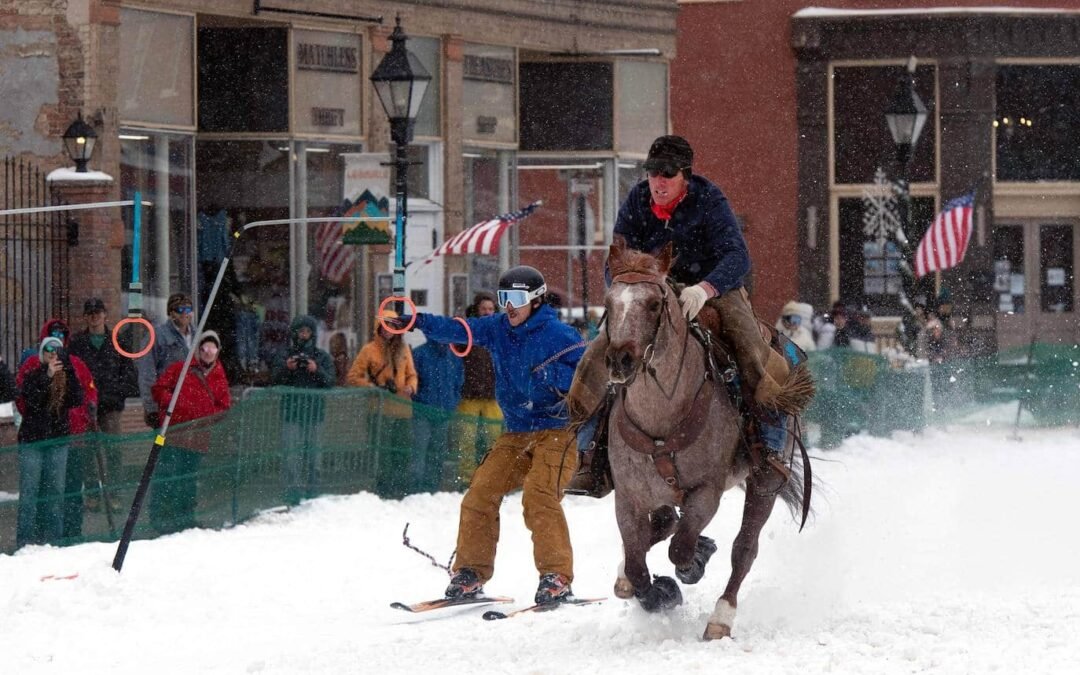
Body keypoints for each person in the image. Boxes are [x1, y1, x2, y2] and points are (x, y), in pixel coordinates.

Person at [567, 135, 807, 485]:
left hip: (712, 288)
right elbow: (616, 256)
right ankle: (588, 451)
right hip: (651, 289)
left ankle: (768, 446)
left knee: (749, 342)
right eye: (653, 173)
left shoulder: (710, 199)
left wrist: (704, 288)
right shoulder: (637, 199)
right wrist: (622, 284)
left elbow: (737, 256)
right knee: (599, 351)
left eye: (667, 173)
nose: (658, 182)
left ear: (686, 175)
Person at [390, 266, 587, 606]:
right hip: (516, 433)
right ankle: (470, 573)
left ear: (537, 300)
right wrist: (417, 321)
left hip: (557, 431)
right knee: (480, 493)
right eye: (503, 298)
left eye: (517, 299)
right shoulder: (498, 329)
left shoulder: (560, 336)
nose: (508, 307)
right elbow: (457, 329)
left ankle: (556, 576)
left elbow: (590, 376)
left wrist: (555, 379)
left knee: (538, 496)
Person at [17, 318, 99, 541]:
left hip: (61, 439)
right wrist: (48, 375)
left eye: (59, 348)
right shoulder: (32, 370)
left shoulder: (72, 369)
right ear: (42, 350)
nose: (54, 353)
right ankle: (26, 539)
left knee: (58, 492)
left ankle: (57, 537)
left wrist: (68, 370)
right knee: (31, 493)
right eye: (49, 349)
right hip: (34, 440)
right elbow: (29, 401)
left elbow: (77, 398)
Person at [149, 330, 231, 534]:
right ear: (197, 349)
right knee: (168, 477)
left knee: (188, 480)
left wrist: (206, 415)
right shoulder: (180, 368)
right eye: (204, 347)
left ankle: (185, 518)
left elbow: (224, 406)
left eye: (212, 348)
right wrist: (174, 405)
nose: (208, 352)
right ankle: (161, 519)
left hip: (198, 437)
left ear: (218, 350)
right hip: (175, 435)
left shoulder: (219, 376)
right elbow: (159, 389)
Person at [68, 298, 138, 512]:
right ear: (85, 317)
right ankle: (92, 495)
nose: (94, 316)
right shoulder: (77, 344)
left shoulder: (117, 341)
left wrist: (117, 395)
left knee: (114, 451)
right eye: (90, 313)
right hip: (86, 406)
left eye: (98, 312)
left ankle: (114, 493)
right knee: (89, 453)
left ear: (105, 315)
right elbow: (72, 373)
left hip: (111, 406)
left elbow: (129, 372)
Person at [347, 309, 418, 498]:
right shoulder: (369, 350)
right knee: (382, 453)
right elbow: (354, 376)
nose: (389, 330)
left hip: (403, 409)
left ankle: (401, 489)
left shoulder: (404, 349)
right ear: (378, 328)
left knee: (402, 451)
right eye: (385, 326)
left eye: (393, 326)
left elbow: (412, 374)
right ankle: (384, 489)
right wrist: (372, 387)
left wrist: (411, 387)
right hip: (379, 410)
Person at [271, 316, 335, 505]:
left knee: (314, 455)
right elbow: (274, 379)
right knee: (291, 455)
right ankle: (293, 492)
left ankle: (313, 492)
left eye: (307, 332)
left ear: (312, 334)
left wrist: (316, 370)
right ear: (294, 334)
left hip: (315, 414)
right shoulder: (284, 355)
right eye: (300, 332)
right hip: (291, 413)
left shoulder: (322, 357)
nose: (303, 335)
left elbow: (330, 381)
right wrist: (287, 368)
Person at [454, 292, 502, 484]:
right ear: (477, 310)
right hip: (470, 394)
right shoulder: (468, 331)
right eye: (484, 309)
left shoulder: (500, 332)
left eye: (490, 309)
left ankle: (493, 475)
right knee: (467, 439)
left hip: (493, 394)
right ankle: (467, 477)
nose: (487, 312)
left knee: (495, 438)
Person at [410, 340, 464, 493]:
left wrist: (453, 401)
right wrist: (418, 400)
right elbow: (413, 378)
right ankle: (416, 486)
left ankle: (432, 486)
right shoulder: (420, 353)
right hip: (423, 410)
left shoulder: (454, 356)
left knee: (438, 451)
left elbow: (458, 381)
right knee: (420, 448)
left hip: (444, 411)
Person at [138, 293, 196, 429]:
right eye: (179, 310)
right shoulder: (157, 336)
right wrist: (151, 407)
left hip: (193, 403)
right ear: (171, 313)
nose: (184, 314)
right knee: (168, 446)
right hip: (168, 403)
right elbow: (147, 373)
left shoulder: (198, 335)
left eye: (188, 310)